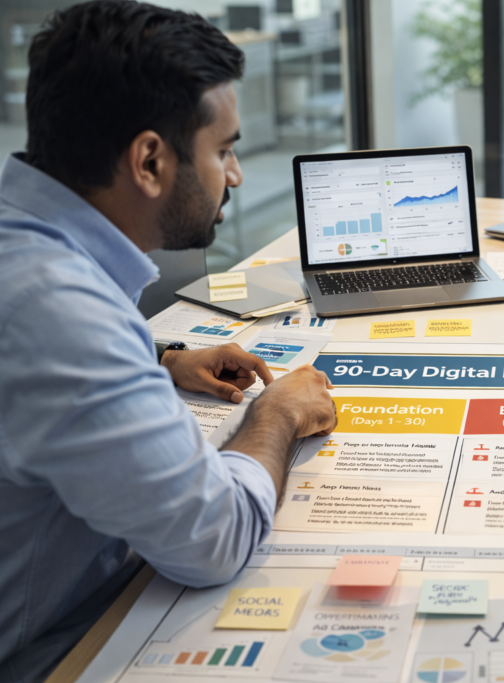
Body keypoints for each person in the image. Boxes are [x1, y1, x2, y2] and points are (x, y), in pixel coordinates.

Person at [0, 2, 338, 680]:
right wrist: (275, 416)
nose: (236, 175)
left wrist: (162, 358)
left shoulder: (25, 249)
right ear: (149, 160)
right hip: (51, 645)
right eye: (223, 149)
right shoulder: (62, 311)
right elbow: (214, 539)